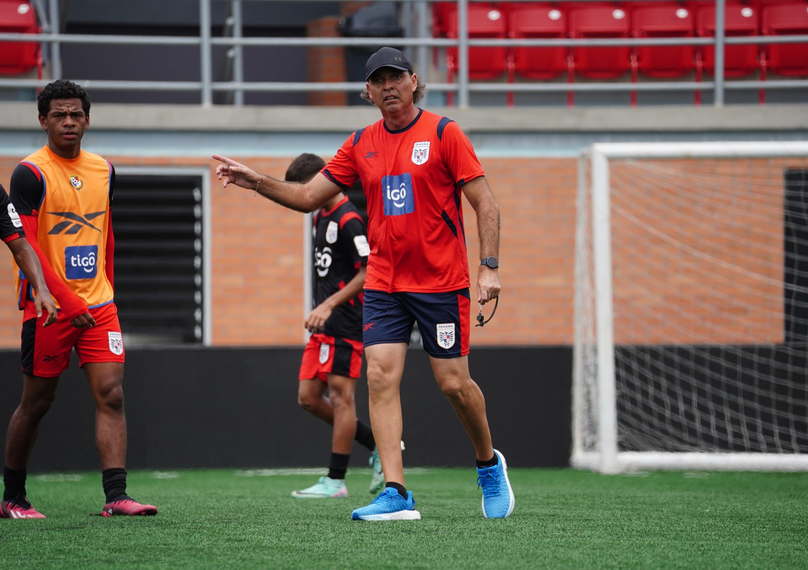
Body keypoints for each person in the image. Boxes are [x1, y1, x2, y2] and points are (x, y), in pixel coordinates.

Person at [214, 47, 513, 521]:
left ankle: (487, 465)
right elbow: (309, 196)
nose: (389, 86)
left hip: (440, 282)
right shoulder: (360, 143)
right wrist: (256, 181)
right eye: (379, 80)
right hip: (385, 284)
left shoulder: (443, 132)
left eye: (396, 77)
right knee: (378, 376)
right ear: (367, 91)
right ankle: (396, 491)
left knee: (453, 384)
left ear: (414, 81)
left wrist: (489, 266)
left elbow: (486, 203)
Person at [1, 80, 157, 519]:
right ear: (42, 121)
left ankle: (117, 497)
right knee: (37, 403)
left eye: (75, 114)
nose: (68, 121)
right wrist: (65, 301)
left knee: (112, 395)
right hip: (48, 308)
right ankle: (12, 497)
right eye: (58, 115)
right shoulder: (29, 173)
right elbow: (25, 246)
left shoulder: (104, 170)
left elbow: (106, 236)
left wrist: (106, 290)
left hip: (99, 306)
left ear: (87, 119)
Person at [285, 153, 386, 499]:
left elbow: (368, 270)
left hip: (344, 322)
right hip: (323, 324)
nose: (303, 197)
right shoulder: (319, 217)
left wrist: (328, 305)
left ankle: (335, 481)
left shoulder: (348, 220)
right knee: (309, 398)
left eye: (305, 189)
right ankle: (377, 445)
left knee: (343, 399)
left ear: (322, 180)